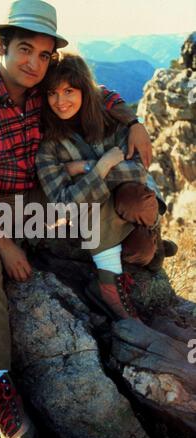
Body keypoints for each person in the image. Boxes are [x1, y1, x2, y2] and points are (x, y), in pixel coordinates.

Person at [0, 0, 156, 438]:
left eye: (43, 54)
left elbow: (96, 92)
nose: (34, 63)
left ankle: (119, 265)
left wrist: (133, 121)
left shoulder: (43, 88)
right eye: (24, 49)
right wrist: (5, 246)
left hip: (38, 192)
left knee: (100, 196)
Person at [36, 53, 177, 321]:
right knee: (140, 252)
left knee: (137, 201)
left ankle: (155, 244)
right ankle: (109, 285)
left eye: (69, 91)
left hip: (126, 205)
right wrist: (101, 167)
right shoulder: (48, 147)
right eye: (52, 93)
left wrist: (82, 169)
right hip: (95, 221)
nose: (60, 101)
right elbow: (64, 206)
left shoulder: (112, 121)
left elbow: (137, 169)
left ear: (83, 90)